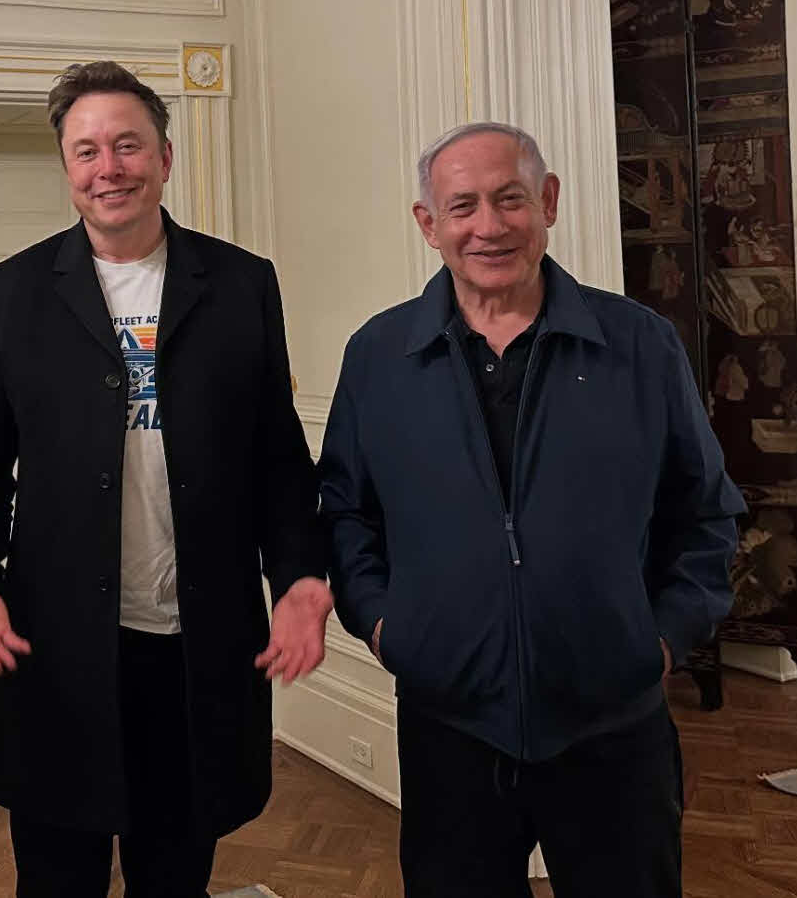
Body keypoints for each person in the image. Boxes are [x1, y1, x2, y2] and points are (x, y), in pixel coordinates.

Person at [0, 60, 331, 897]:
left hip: (196, 649)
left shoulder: (240, 283)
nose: (107, 168)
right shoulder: (12, 292)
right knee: (57, 878)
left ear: (164, 157)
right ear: (66, 168)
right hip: (60, 650)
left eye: (127, 145)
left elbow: (275, 456)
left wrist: (298, 571)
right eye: (86, 151)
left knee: (174, 875)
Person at [318, 121, 745, 897]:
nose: (488, 226)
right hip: (448, 726)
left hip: (612, 725)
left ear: (547, 201)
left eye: (509, 198)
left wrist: (657, 641)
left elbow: (705, 512)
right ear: (428, 223)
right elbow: (347, 513)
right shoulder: (378, 355)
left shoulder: (639, 344)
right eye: (462, 206)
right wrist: (385, 628)